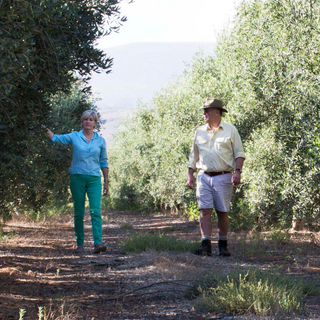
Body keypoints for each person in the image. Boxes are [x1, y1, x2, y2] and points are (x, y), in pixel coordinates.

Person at [45, 110, 109, 254]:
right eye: (86, 119)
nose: (88, 121)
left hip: (94, 179)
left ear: (95, 123)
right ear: (82, 122)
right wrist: (49, 134)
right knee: (79, 212)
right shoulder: (74, 136)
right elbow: (57, 139)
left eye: (91, 119)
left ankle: (98, 243)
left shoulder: (100, 141)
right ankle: (80, 244)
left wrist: (106, 181)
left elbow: (103, 161)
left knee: (95, 211)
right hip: (77, 178)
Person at [187, 98, 245, 256]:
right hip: (203, 176)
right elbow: (194, 155)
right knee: (204, 211)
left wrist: (237, 171)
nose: (204, 113)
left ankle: (223, 245)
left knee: (222, 211)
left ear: (217, 112)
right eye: (204, 110)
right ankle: (205, 244)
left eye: (207, 110)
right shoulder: (199, 131)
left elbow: (239, 153)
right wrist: (190, 174)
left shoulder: (230, 130)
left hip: (223, 176)